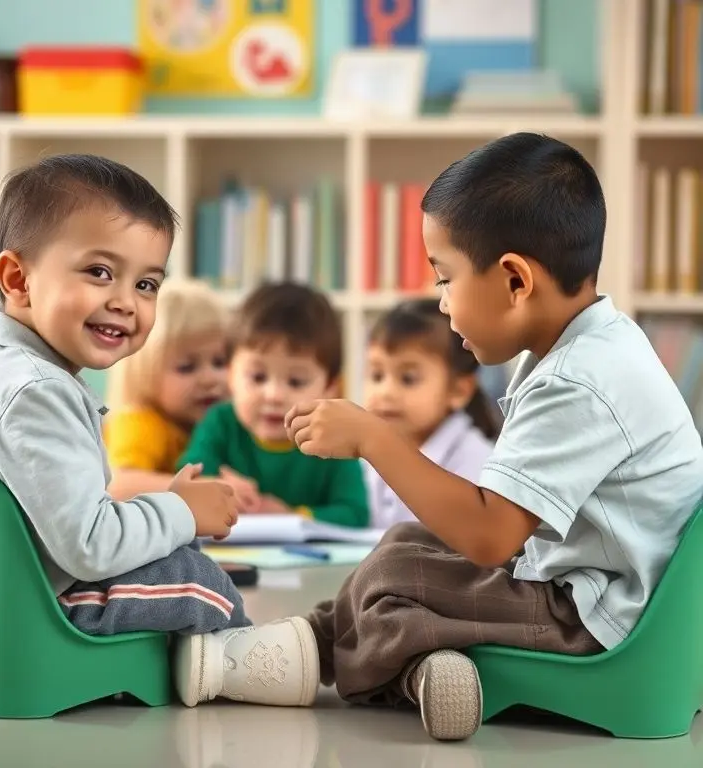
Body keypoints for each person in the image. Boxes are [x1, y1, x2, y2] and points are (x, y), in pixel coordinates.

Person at [283, 133, 703, 740]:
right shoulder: (598, 344)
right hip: (591, 588)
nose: (444, 304)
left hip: (595, 616)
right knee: (405, 546)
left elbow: (488, 535)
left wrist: (375, 437)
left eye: (445, 279)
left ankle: (349, 662)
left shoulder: (577, 381)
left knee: (394, 579)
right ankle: (345, 647)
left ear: (513, 280)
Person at [0, 154, 319, 709]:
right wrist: (182, 510)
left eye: (146, 283)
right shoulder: (35, 390)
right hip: (29, 610)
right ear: (17, 279)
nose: (125, 301)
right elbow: (90, 546)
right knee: (193, 575)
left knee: (170, 560)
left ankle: (215, 656)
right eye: (98, 272)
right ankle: (242, 664)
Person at [177, 281, 369, 527]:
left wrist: (291, 515)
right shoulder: (220, 423)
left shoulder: (336, 438)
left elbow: (355, 514)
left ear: (330, 387)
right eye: (257, 377)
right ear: (230, 373)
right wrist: (217, 488)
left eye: (296, 382)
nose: (274, 395)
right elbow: (186, 480)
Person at [363, 298, 497, 528]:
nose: (385, 392)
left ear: (458, 390)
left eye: (408, 379)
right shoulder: (367, 451)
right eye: (377, 375)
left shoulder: (477, 460)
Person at [105, 278, 229, 500]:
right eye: (187, 367)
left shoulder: (217, 424)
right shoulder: (139, 422)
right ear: (143, 374)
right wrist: (206, 488)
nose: (210, 379)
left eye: (220, 362)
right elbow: (118, 484)